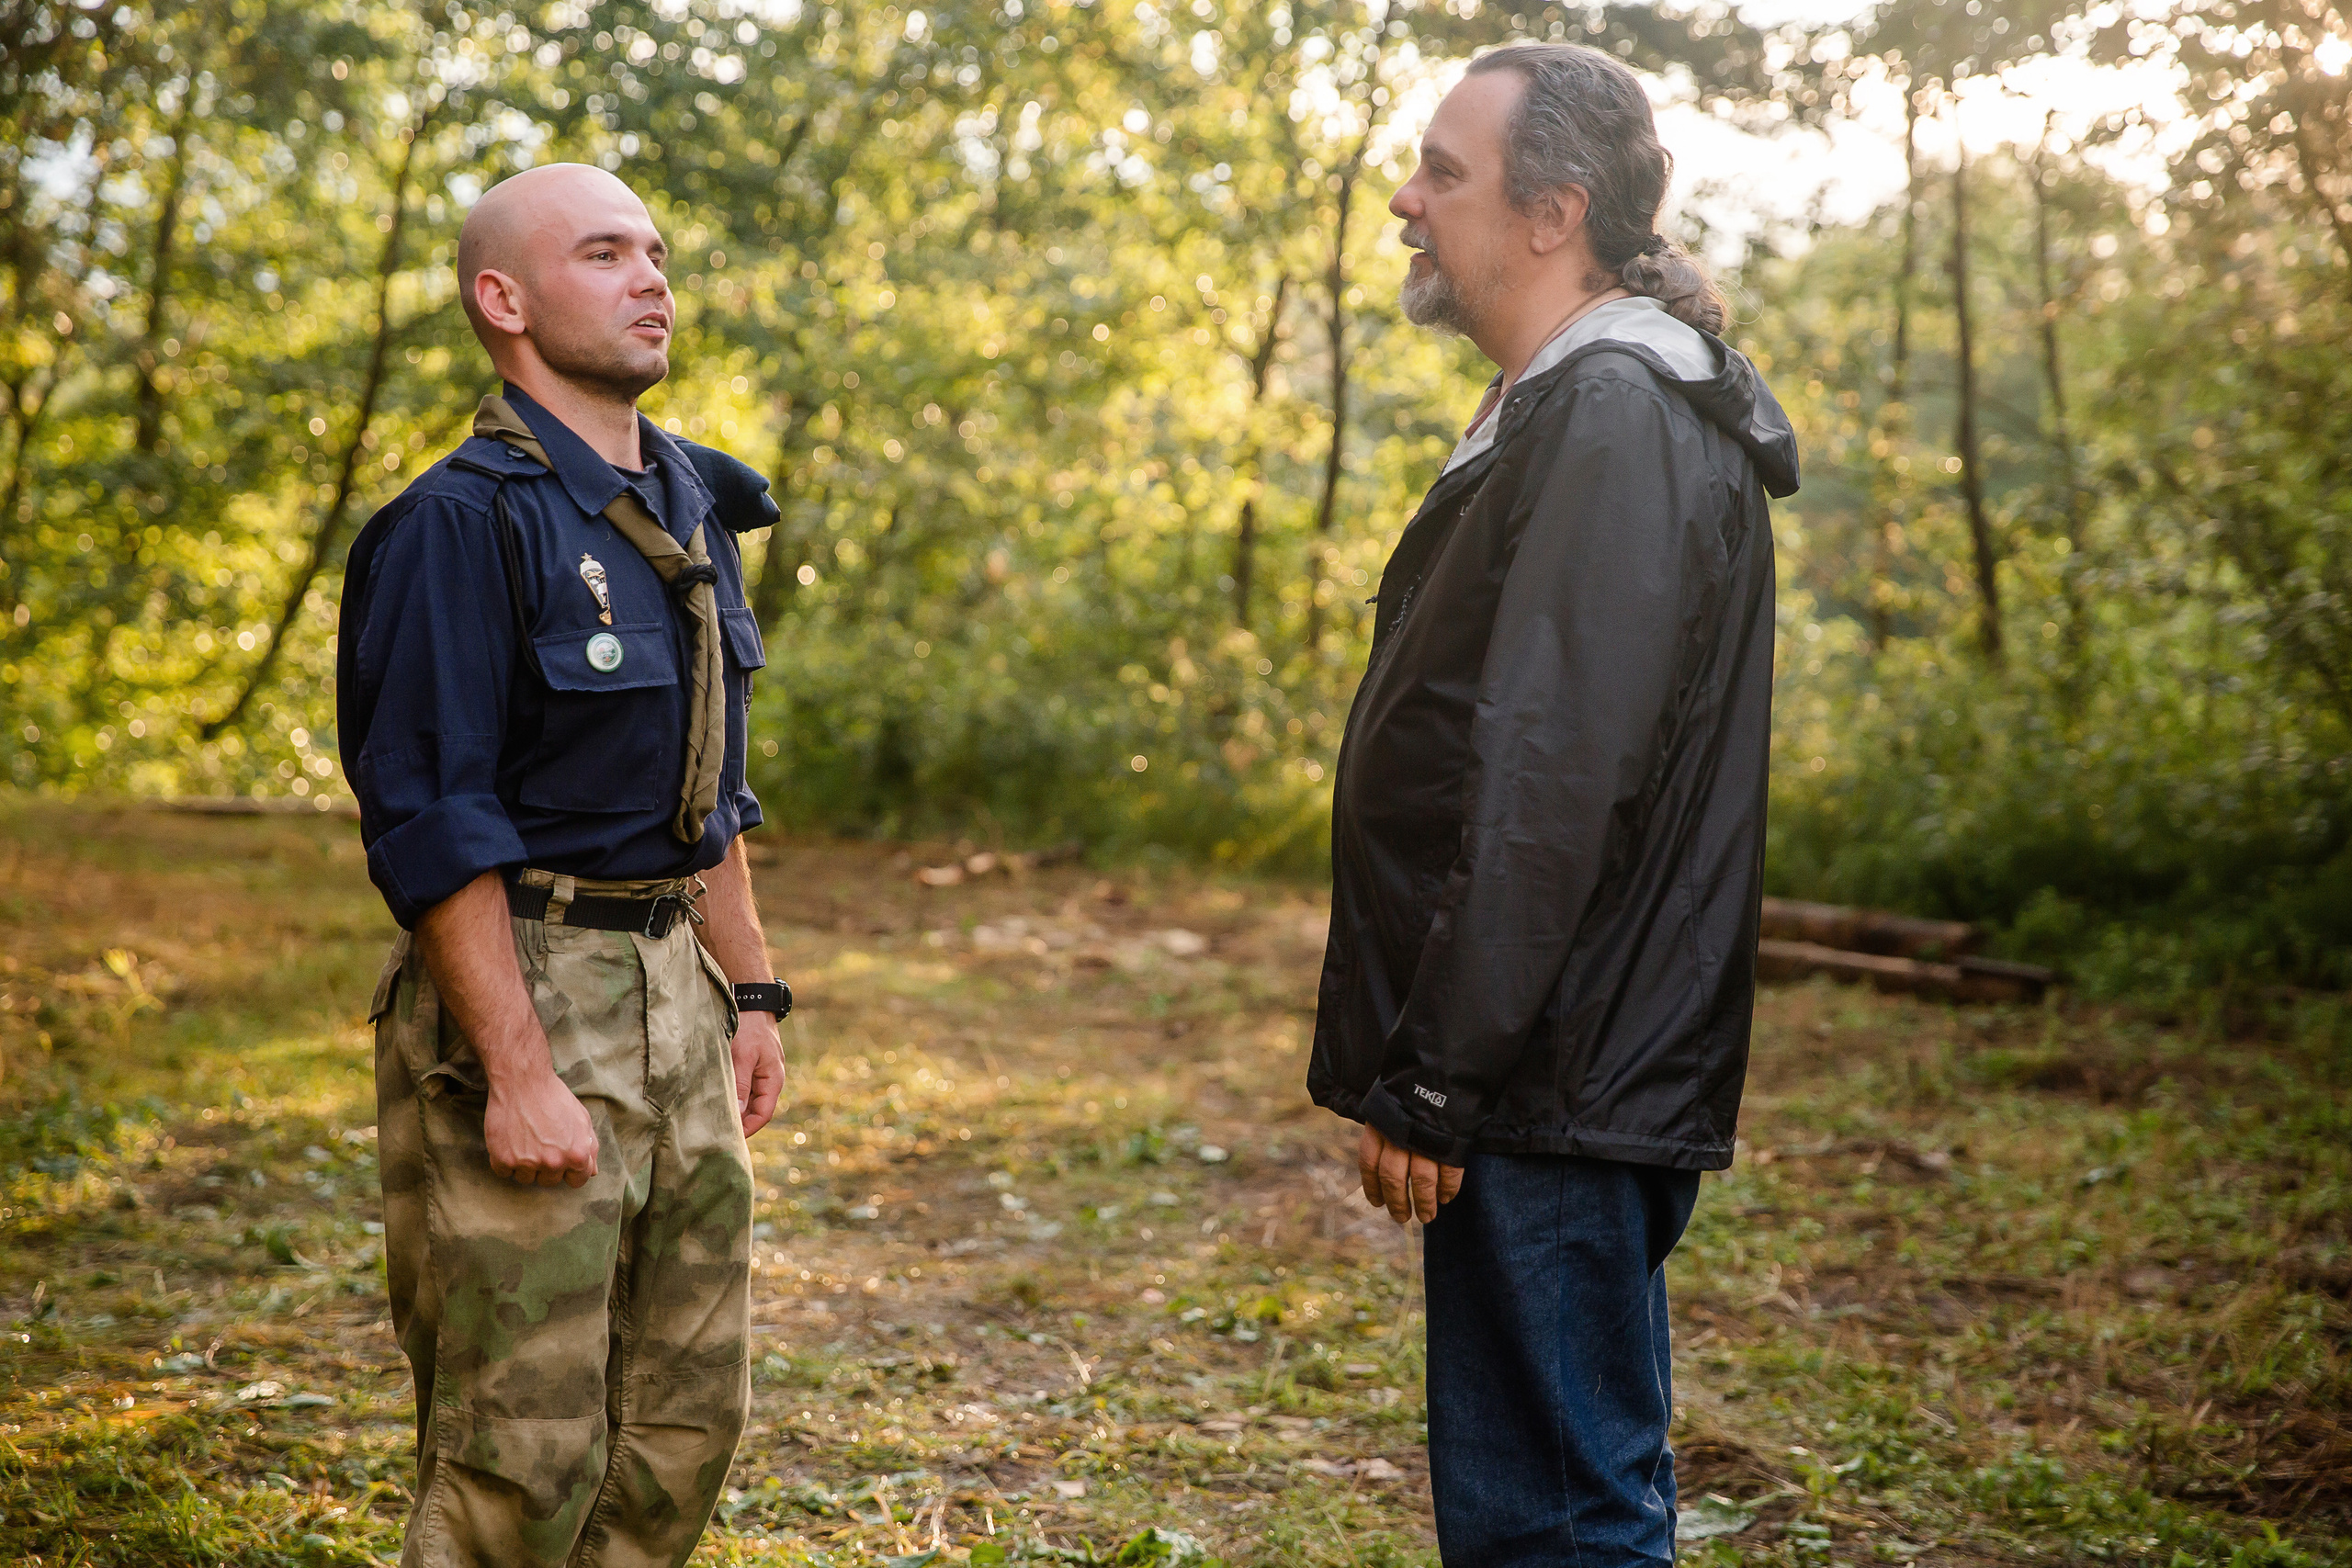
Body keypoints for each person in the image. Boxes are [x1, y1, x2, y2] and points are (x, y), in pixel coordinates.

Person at [1307, 44, 1799, 1568]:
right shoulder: (1571, 401)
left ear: (1551, 213)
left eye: (1443, 172)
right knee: (1541, 1504)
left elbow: (1551, 774)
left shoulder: (1611, 415)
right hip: (1548, 1066)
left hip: (1557, 1070)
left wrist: (1441, 1077)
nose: (1403, 197)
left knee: (1562, 1525)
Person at [335, 163, 791, 1568]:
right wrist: (519, 1068)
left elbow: (702, 785)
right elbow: (433, 821)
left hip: (677, 991)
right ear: (505, 300)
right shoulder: (456, 528)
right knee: (517, 1455)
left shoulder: (688, 508)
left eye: (656, 250)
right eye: (606, 254)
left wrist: (756, 993)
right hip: (531, 985)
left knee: (677, 1429)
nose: (653, 277)